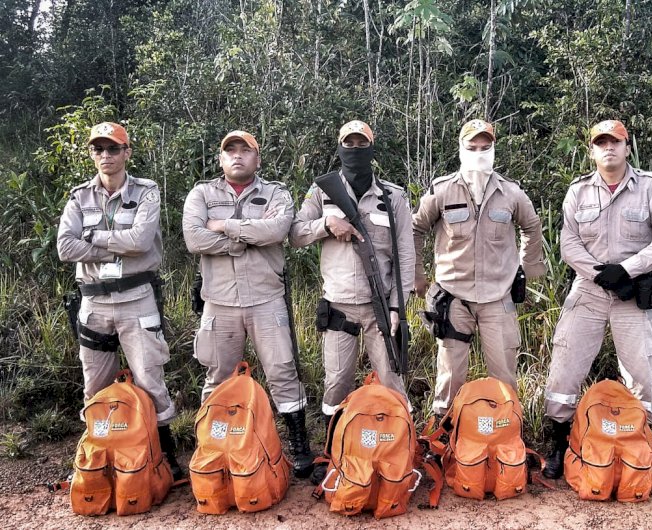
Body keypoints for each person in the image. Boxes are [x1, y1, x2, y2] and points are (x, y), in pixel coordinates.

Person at [542, 119, 652, 480]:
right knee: (565, 364)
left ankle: (647, 451)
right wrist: (601, 275)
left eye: (615, 142)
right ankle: (559, 444)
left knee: (640, 373)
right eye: (600, 142)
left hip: (633, 295)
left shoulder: (649, 188)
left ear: (627, 147)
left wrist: (628, 271)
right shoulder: (579, 191)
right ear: (591, 150)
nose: (608, 148)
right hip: (588, 292)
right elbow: (568, 243)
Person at [182, 130, 314, 478]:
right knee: (217, 377)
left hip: (266, 299)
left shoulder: (276, 192)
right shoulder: (202, 193)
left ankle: (299, 446)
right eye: (230, 151)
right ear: (220, 159)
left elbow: (276, 230)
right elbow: (194, 237)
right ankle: (211, 446)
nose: (237, 156)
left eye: (245, 150)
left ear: (257, 158)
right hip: (219, 303)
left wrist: (225, 225)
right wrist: (238, 243)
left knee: (283, 372)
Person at [289, 120, 415, 481]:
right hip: (339, 306)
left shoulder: (393, 197)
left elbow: (405, 257)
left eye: (362, 144)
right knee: (337, 383)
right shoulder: (321, 191)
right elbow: (296, 234)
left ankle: (401, 451)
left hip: (381, 308)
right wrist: (327, 225)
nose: (355, 149)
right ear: (340, 147)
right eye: (349, 143)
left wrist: (397, 307)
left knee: (392, 381)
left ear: (371, 149)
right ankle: (333, 454)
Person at [57, 122, 182, 479]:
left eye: (113, 148)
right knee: (95, 383)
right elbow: (65, 247)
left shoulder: (146, 191)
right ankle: (96, 457)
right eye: (99, 149)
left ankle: (165, 457)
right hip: (93, 302)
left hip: (136, 298)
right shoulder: (78, 196)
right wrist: (115, 243)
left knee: (149, 378)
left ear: (126, 152)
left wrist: (92, 237)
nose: (105, 156)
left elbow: (142, 240)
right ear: (92, 154)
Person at [412, 119, 545, 418]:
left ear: (494, 149)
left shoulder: (510, 192)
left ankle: (507, 434)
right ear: (461, 149)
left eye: (486, 148)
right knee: (450, 375)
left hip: (498, 297)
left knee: (504, 375)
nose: (479, 153)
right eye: (472, 148)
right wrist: (416, 274)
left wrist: (526, 270)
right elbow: (415, 227)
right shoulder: (442, 190)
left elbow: (532, 227)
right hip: (453, 297)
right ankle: (443, 435)